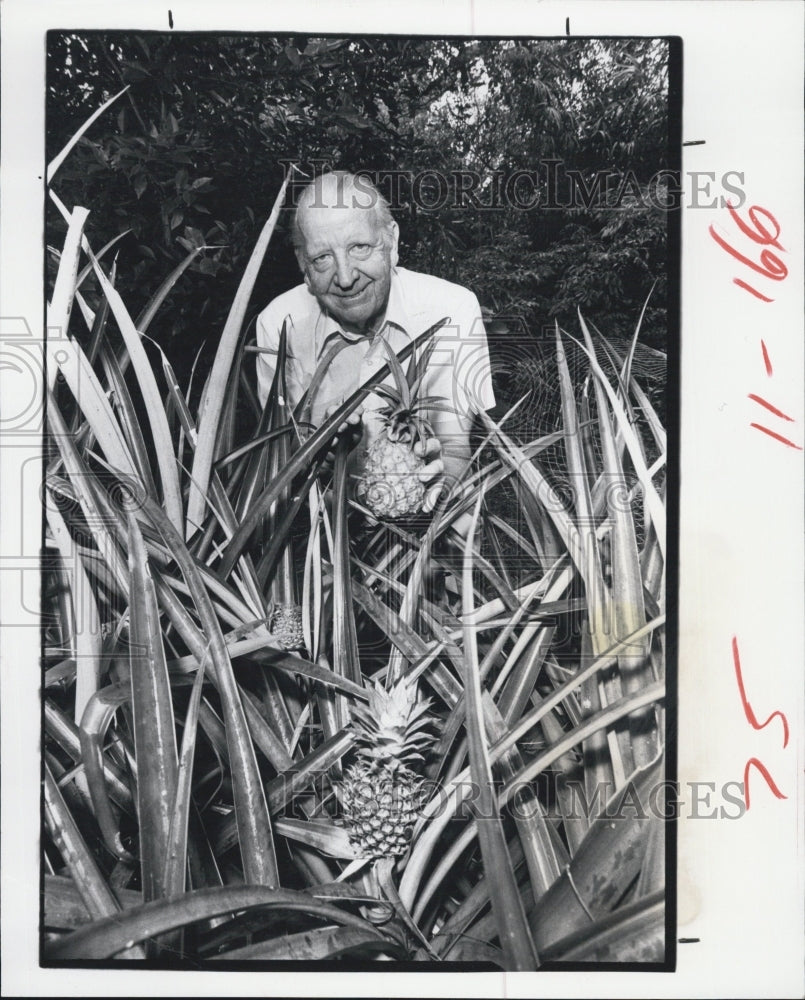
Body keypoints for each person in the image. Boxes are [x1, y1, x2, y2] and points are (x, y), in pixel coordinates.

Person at [255, 171, 496, 530]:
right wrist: (323, 453)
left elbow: (455, 445)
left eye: (359, 247)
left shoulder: (452, 310)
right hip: (327, 541)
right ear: (304, 268)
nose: (346, 276)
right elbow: (281, 458)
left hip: (439, 541)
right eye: (322, 257)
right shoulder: (279, 326)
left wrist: (442, 480)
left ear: (392, 241)